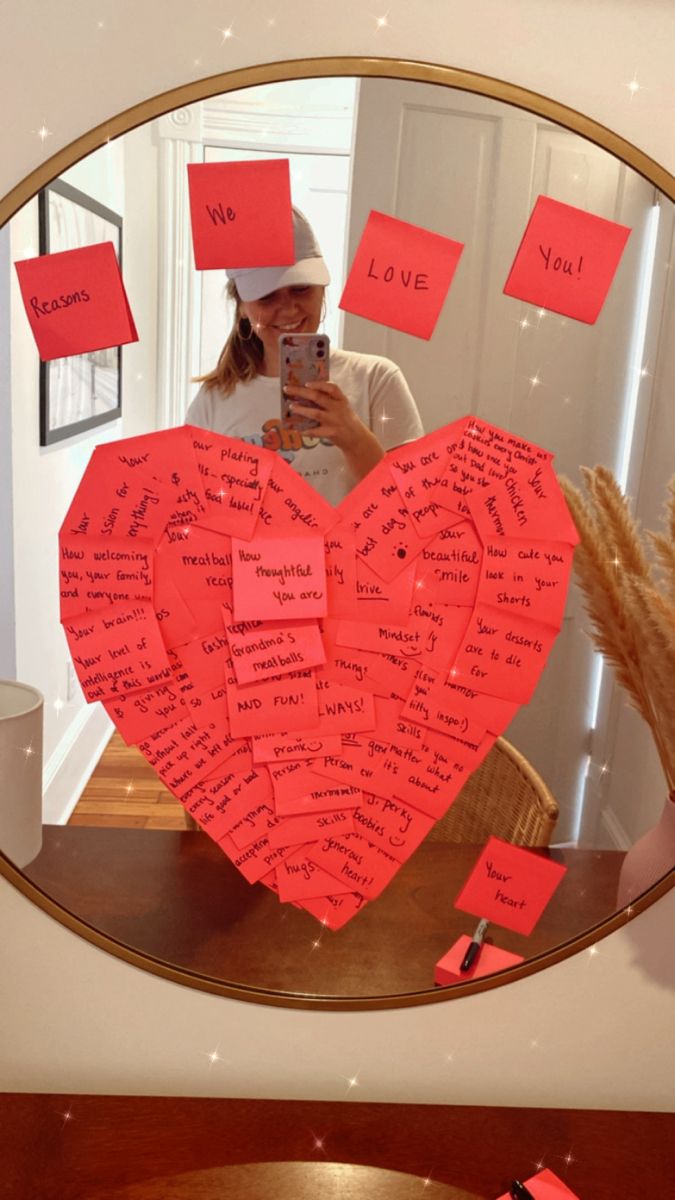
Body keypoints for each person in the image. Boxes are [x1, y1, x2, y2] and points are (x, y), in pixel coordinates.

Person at [186, 207, 424, 505]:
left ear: (322, 290)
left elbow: (415, 506)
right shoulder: (213, 401)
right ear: (243, 308)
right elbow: (201, 512)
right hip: (255, 554)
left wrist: (353, 437)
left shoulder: (376, 379)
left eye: (301, 289)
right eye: (267, 296)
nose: (288, 309)